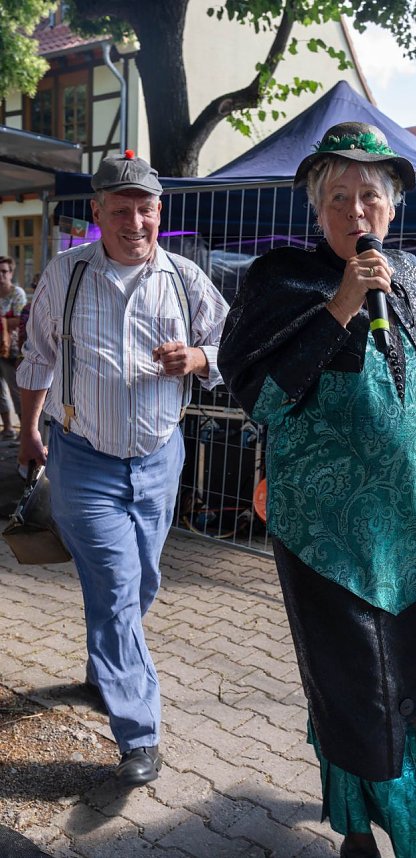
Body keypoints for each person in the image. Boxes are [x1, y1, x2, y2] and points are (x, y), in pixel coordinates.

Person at [217, 122, 416, 858]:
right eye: (338, 197)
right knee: (359, 697)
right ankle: (407, 842)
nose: (356, 211)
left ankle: (354, 819)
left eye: (370, 197)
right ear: (316, 209)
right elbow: (264, 399)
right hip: (322, 539)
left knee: (406, 698)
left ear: (392, 210)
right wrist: (340, 308)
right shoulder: (280, 281)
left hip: (412, 539)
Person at [17, 150, 229, 787]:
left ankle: (103, 665)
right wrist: (28, 430)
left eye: (145, 209)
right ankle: (139, 734)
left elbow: (232, 344)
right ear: (97, 213)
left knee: (140, 585)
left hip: (161, 458)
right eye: (121, 210)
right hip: (83, 459)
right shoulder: (67, 274)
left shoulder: (186, 278)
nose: (135, 221)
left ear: (158, 210)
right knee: (113, 587)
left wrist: (196, 358)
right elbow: (37, 357)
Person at [0, 255, 26, 443]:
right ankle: (8, 428)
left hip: (12, 350)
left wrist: (3, 322)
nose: (1, 275)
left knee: (16, 391)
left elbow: (19, 320)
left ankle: (26, 432)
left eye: (4, 271)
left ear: (11, 273)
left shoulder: (17, 293)